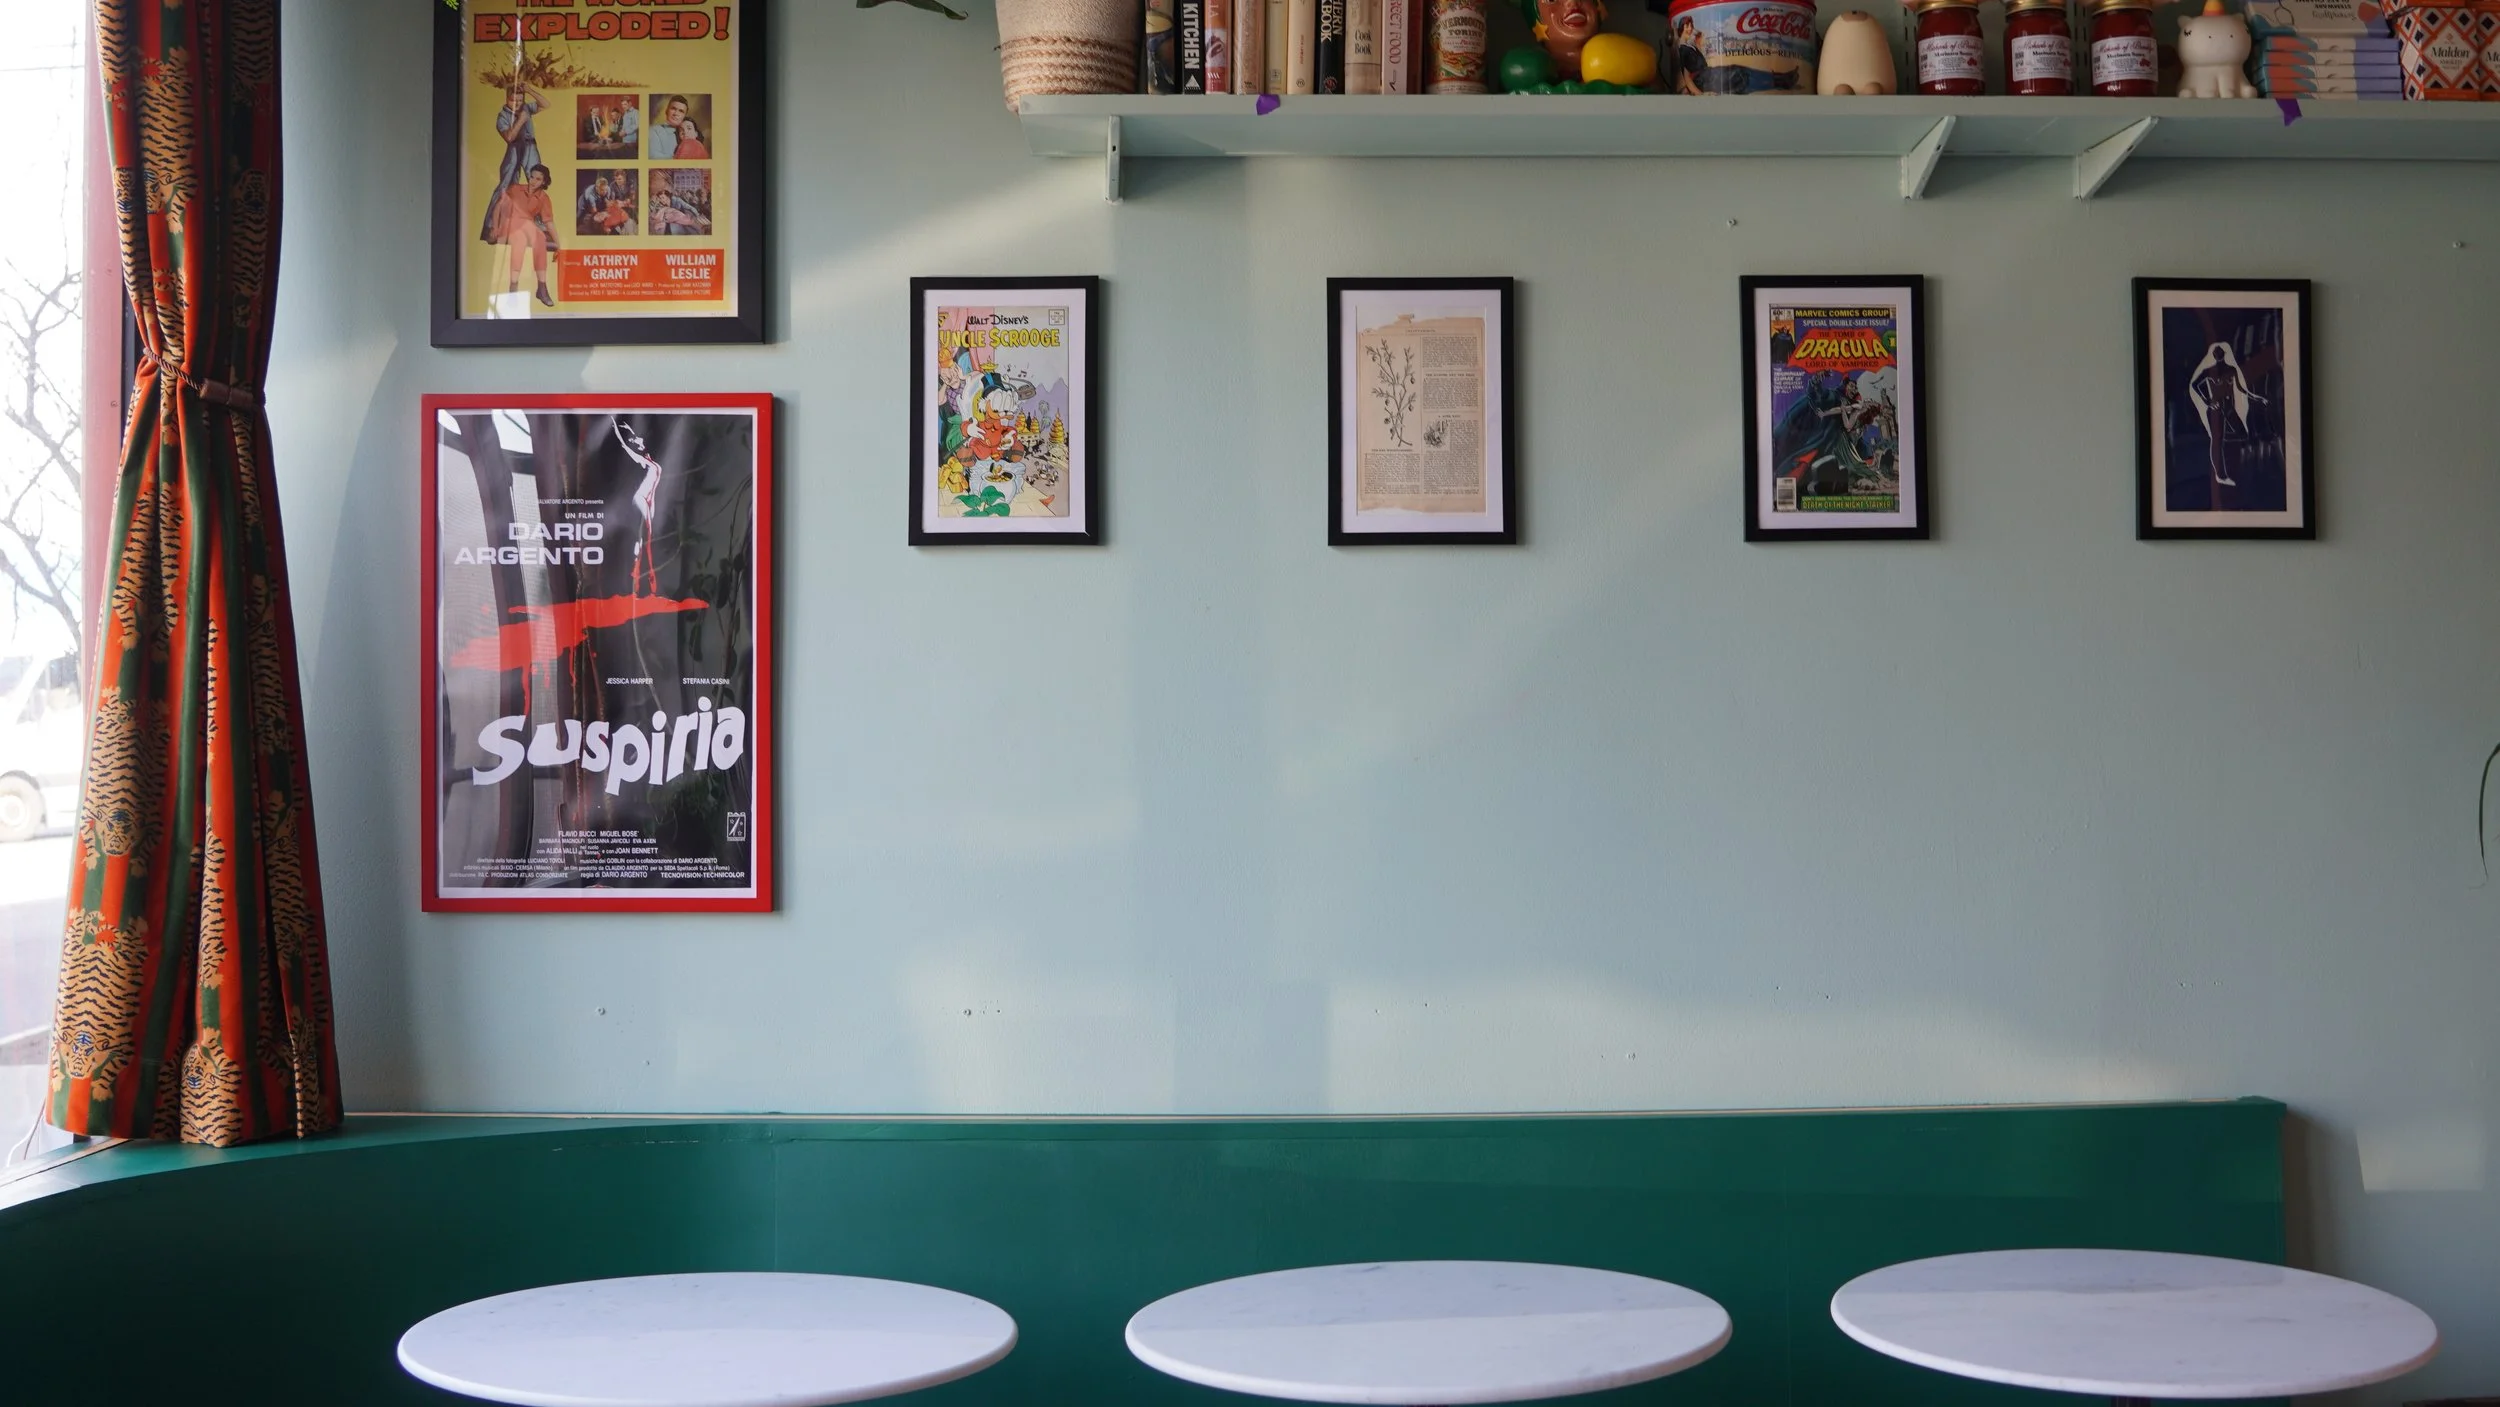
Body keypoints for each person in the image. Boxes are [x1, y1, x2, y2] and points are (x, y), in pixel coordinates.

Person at [2186, 341, 2263, 489]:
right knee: (2217, 441)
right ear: (2214, 356)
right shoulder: (2209, 371)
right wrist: (2207, 401)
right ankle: (2220, 475)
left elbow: (2241, 389)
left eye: (2221, 353)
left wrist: (2257, 398)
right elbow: (2194, 384)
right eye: (2217, 354)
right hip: (2216, 411)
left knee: (2241, 436)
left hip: (2229, 408)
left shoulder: (2231, 369)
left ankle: (2241, 472)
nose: (2219, 356)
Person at [480, 83, 545, 244]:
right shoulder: (502, 116)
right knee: (506, 186)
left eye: (520, 100)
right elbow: (509, 137)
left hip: (530, 146)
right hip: (515, 148)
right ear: (506, 98)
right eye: (512, 100)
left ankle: (536, 220)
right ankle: (491, 227)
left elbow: (546, 104)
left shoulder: (526, 108)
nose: (516, 104)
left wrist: (530, 90)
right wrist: (521, 120)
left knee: (537, 181)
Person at [490, 163, 560, 307]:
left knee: (537, 238)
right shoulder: (515, 189)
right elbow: (498, 206)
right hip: (509, 224)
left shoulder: (544, 198)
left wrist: (559, 245)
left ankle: (542, 288)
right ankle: (513, 288)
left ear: (544, 182)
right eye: (532, 177)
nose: (533, 181)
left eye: (538, 179)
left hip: (527, 227)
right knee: (524, 236)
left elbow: (549, 223)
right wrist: (494, 227)